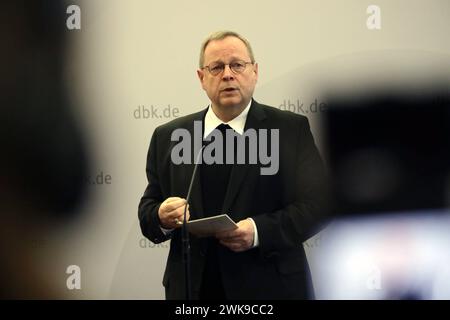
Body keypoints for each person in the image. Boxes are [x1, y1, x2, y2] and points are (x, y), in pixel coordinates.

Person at [138, 31, 328, 300]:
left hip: (269, 288)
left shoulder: (289, 130)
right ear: (202, 78)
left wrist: (259, 231)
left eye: (237, 65)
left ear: (255, 72)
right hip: (194, 291)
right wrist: (161, 215)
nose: (227, 74)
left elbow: (320, 205)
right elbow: (148, 210)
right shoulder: (169, 136)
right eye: (216, 67)